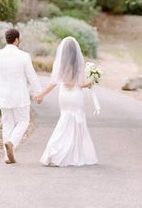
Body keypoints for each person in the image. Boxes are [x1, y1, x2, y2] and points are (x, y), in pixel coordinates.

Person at [36, 36, 98, 167]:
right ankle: (74, 154)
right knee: (76, 122)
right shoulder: (79, 64)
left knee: (64, 119)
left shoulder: (61, 63)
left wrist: (42, 94)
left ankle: (54, 151)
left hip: (64, 94)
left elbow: (53, 83)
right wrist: (91, 82)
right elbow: (80, 84)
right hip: (76, 95)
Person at [0, 27, 42, 164]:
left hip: (2, 96)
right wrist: (38, 93)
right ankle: (12, 143)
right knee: (23, 121)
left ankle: (7, 156)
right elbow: (32, 77)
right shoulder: (24, 56)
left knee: (7, 124)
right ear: (17, 40)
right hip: (20, 96)